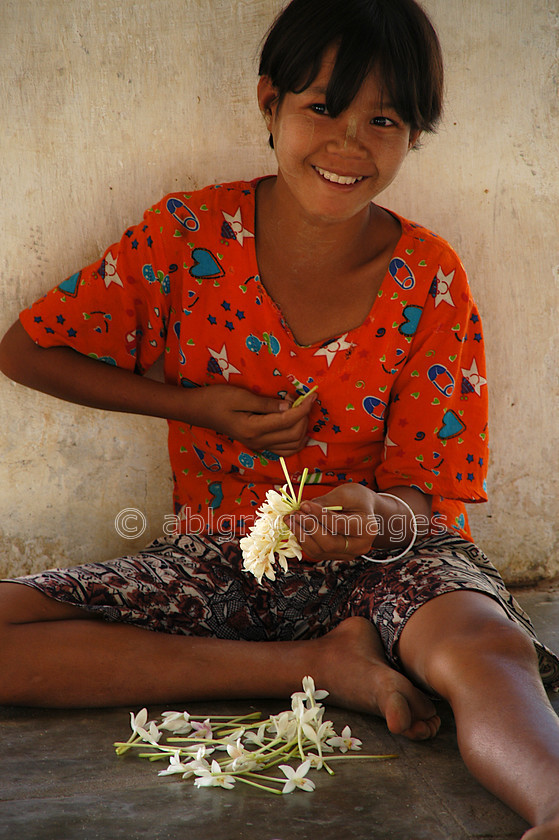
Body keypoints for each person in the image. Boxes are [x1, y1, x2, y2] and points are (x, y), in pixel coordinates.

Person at [0, 0, 558, 835]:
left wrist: (375, 514)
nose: (348, 143)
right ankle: (312, 664)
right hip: (221, 544)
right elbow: (26, 350)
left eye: (384, 119)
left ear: (413, 136)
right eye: (321, 108)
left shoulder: (430, 278)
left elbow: (426, 493)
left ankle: (552, 803)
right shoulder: (187, 235)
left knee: (478, 646)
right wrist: (192, 408)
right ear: (270, 104)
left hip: (392, 555)